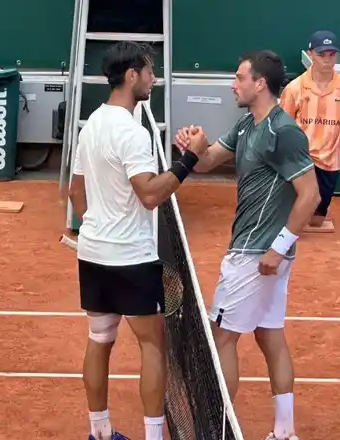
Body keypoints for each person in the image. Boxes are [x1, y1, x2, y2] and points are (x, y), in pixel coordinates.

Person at [174, 50, 321, 440]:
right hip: (262, 253)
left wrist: (278, 247)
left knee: (222, 336)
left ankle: (216, 430)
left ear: (260, 83)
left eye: (239, 77)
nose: (233, 84)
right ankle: (285, 432)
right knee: (269, 335)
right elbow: (206, 162)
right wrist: (193, 148)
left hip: (256, 255)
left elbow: (310, 196)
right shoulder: (246, 125)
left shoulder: (283, 132)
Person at [68, 41, 208, 440]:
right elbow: (150, 194)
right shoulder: (132, 132)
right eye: (150, 71)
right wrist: (190, 159)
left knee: (99, 341)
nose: (154, 79)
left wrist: (91, 228)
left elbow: (76, 194)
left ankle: (99, 432)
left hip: (94, 252)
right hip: (130, 256)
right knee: (153, 346)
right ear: (132, 75)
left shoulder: (92, 123)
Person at [279, 30, 340, 232]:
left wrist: (328, 136)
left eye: (331, 54)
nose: (327, 60)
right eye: (321, 54)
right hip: (300, 161)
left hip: (329, 162)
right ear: (310, 54)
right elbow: (283, 127)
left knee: (315, 221)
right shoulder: (294, 89)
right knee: (294, 216)